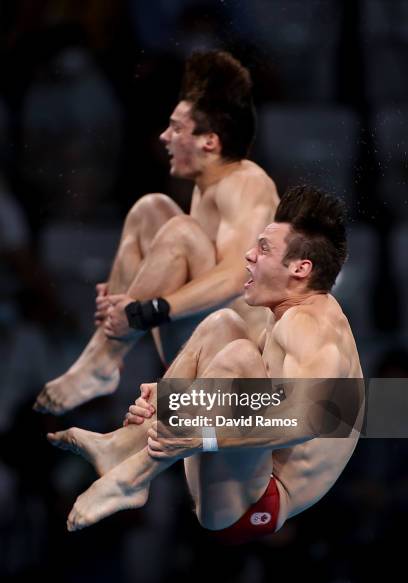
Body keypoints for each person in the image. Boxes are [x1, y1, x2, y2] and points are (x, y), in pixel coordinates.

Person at [48, 185, 364, 542]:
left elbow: (312, 418)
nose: (248, 255)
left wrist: (205, 435)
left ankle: (134, 476)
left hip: (261, 501)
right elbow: (250, 394)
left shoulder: (312, 325)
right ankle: (125, 445)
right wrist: (172, 399)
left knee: (238, 355)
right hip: (242, 467)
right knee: (222, 325)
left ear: (300, 268)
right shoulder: (284, 314)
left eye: (263, 249)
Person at [33, 50, 279, 415]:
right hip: (197, 341)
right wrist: (128, 289)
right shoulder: (204, 190)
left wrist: (149, 308)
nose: (164, 137)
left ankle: (102, 360)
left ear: (208, 142)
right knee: (151, 210)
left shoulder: (246, 183)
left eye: (176, 129)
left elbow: (237, 275)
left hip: (237, 358)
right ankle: (104, 358)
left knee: (179, 229)